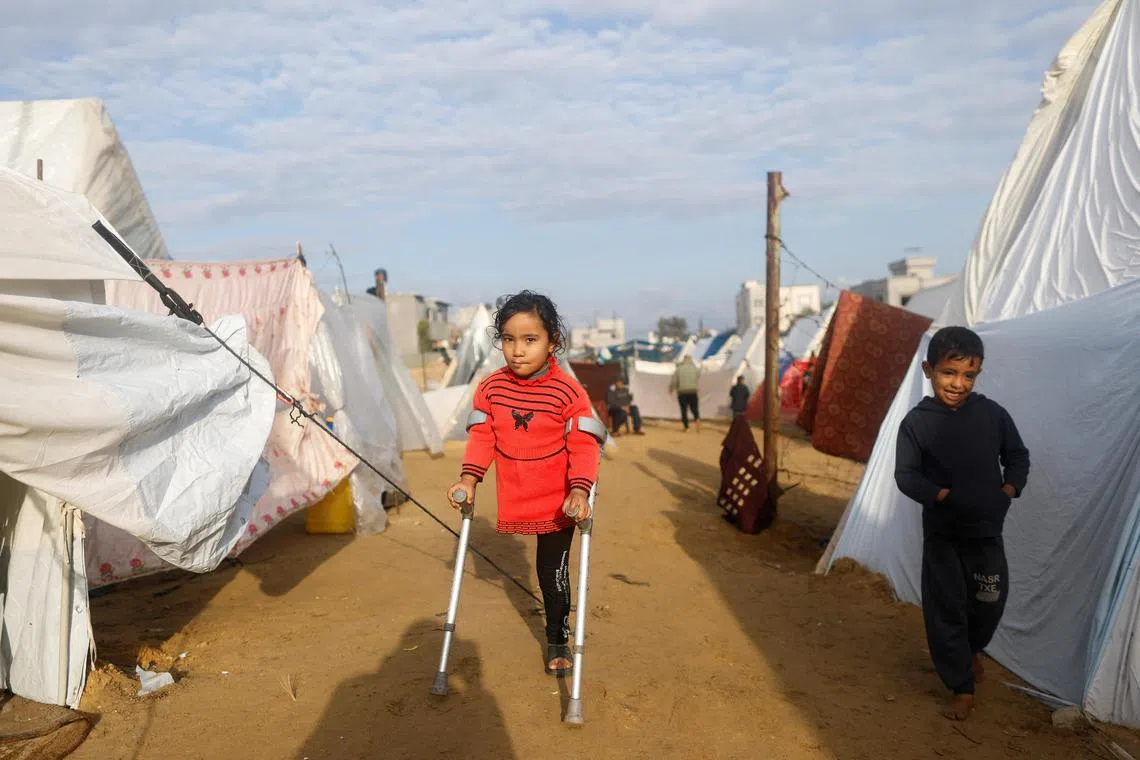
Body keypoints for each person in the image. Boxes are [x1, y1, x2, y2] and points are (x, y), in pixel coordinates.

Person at [446, 291, 604, 678]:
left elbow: (583, 444)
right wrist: (469, 479)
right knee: (545, 567)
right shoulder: (490, 388)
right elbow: (483, 438)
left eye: (530, 340)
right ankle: (555, 633)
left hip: (559, 499)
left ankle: (557, 638)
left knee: (552, 572)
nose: (517, 351)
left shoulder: (568, 391)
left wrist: (580, 491)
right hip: (517, 494)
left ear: (553, 341)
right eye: (509, 339)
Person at [894, 326, 1030, 721]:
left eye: (968, 375)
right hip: (943, 535)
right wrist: (945, 498)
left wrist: (1007, 491)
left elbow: (1018, 456)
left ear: (978, 374)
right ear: (928, 370)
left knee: (990, 601)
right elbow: (907, 476)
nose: (958, 384)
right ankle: (961, 685)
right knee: (947, 607)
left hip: (986, 532)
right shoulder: (917, 423)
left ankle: (972, 648)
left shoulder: (992, 415)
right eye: (948, 373)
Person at [669, 355, 701, 432]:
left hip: (682, 392)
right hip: (693, 391)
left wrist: (671, 389)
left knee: (684, 410)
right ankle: (697, 420)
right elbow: (698, 375)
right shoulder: (695, 368)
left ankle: (686, 427)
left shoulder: (679, 369)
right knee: (694, 408)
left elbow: (674, 381)